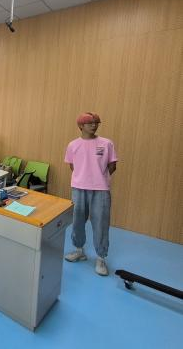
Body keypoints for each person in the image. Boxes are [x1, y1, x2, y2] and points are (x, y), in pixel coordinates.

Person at [64, 112, 117, 277]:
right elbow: (72, 166)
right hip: (78, 188)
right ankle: (79, 250)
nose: (94, 125)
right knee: (77, 221)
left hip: (100, 190)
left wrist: (98, 178)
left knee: (101, 223)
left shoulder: (106, 143)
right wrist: (84, 177)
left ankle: (101, 258)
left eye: (96, 123)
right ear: (81, 126)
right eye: (90, 123)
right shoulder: (73, 145)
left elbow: (112, 165)